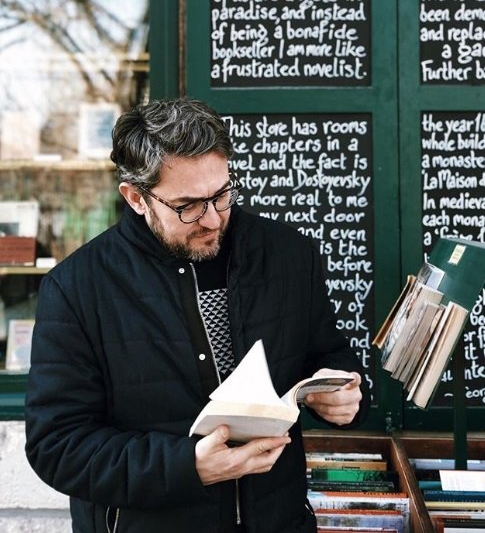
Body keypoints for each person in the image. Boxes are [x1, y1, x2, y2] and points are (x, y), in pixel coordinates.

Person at [25, 98, 370, 533]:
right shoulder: (76, 288)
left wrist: (344, 396)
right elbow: (58, 447)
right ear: (136, 198)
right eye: (187, 205)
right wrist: (189, 466)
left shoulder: (287, 254)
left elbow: (329, 355)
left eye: (222, 194)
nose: (212, 219)